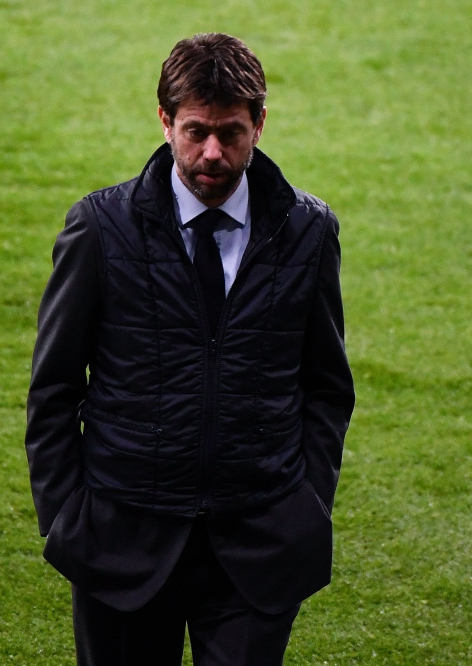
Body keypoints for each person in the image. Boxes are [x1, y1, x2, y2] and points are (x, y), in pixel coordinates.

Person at [25, 33, 354, 666]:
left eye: (231, 133)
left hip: (257, 547)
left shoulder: (310, 232)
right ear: (165, 122)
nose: (212, 153)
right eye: (195, 130)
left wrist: (307, 505)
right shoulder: (99, 228)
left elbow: (327, 388)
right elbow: (54, 387)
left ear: (259, 125)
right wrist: (65, 516)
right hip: (121, 544)